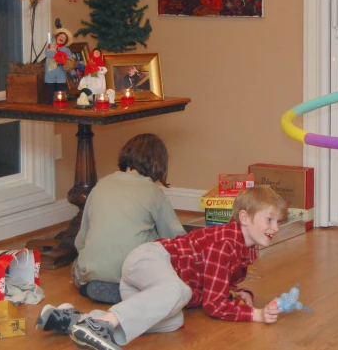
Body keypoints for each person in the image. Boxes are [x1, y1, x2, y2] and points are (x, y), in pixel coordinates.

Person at [37, 186, 287, 350]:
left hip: (154, 286)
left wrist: (236, 292)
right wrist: (256, 314)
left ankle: (74, 320)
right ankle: (102, 325)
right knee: (179, 292)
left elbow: (215, 283)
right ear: (244, 218)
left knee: (173, 320)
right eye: (269, 220)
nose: (275, 228)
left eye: (278, 222)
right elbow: (213, 304)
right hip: (151, 259)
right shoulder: (225, 244)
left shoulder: (244, 248)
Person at [71, 134, 185, 304]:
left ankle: (101, 284)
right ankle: (130, 288)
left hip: (90, 276)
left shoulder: (101, 184)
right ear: (157, 165)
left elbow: (81, 240)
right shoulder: (153, 192)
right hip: (133, 274)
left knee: (78, 263)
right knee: (158, 241)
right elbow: (176, 239)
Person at [44, 23, 73, 103]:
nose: (61, 38)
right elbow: (47, 53)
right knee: (50, 87)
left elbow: (69, 60)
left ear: (65, 41)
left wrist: (67, 62)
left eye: (64, 37)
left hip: (60, 72)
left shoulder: (66, 50)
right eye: (60, 36)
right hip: (50, 72)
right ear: (57, 37)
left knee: (60, 88)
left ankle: (60, 101)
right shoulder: (50, 46)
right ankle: (49, 101)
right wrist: (58, 55)